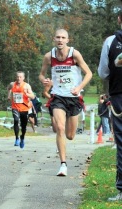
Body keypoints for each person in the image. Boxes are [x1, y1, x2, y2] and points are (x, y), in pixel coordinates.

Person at [39, 28, 92, 176]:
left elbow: (89, 73)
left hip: (74, 97)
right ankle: (63, 165)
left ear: (67, 40)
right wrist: (45, 81)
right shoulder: (49, 56)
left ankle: (62, 141)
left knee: (70, 135)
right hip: (57, 96)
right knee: (60, 128)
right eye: (58, 37)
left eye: (63, 37)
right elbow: (41, 75)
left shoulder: (74, 54)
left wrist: (79, 87)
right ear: (54, 39)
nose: (60, 40)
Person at [98, 11, 122, 201]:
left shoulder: (110, 42)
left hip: (119, 95)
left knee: (121, 144)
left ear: (119, 19)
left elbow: (103, 72)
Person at [8, 71, 35, 148]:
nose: (18, 78)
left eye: (20, 77)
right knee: (16, 120)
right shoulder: (12, 84)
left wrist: (27, 94)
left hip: (24, 107)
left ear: (23, 78)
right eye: (17, 77)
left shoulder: (26, 86)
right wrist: (9, 95)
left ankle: (22, 137)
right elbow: (9, 89)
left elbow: (33, 96)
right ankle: (16, 138)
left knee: (24, 125)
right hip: (15, 107)